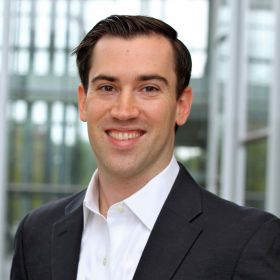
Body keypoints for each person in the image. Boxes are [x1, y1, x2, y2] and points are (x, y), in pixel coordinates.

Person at [11, 15, 280, 280]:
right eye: (107, 87)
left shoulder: (248, 241)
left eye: (149, 88)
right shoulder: (36, 233)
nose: (124, 111)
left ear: (181, 106)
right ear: (83, 102)